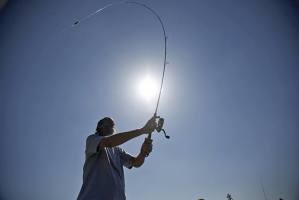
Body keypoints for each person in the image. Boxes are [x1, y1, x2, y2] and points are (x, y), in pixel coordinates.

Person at [77, 116, 157, 200]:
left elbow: (136, 162)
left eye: (113, 125)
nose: (112, 125)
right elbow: (108, 142)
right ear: (99, 126)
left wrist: (143, 152)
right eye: (108, 122)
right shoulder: (92, 139)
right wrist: (142, 130)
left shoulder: (118, 151)